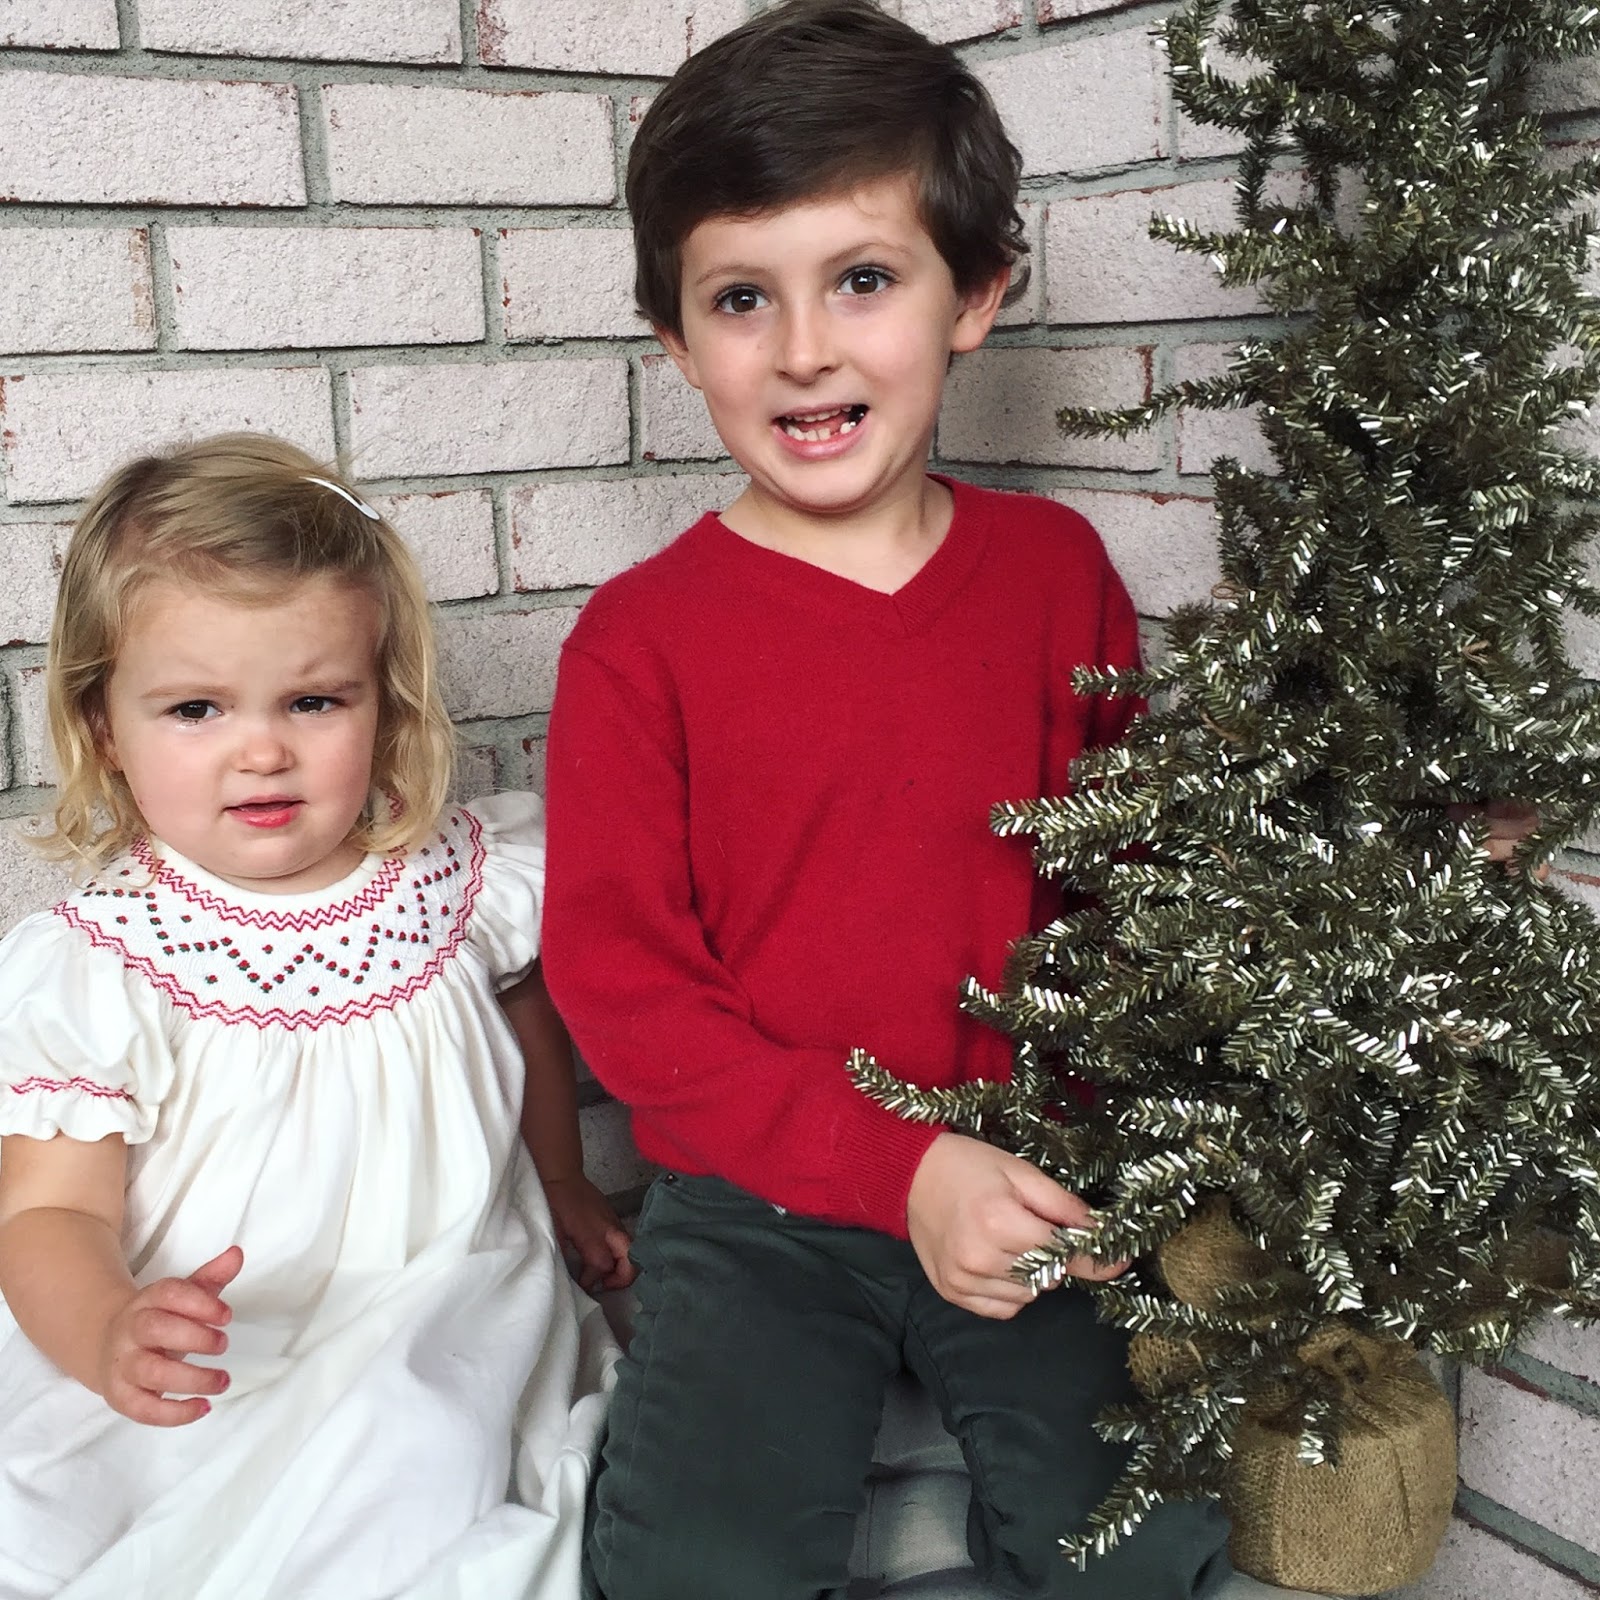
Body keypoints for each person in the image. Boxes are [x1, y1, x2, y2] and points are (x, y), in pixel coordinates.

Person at [539, 4, 1234, 1597]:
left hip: (1024, 1158)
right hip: (758, 1196)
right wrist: (892, 1167)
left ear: (974, 293)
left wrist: (1093, 1143)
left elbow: (1120, 878)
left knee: (1139, 1549)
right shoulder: (638, 641)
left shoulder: (1056, 572)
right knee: (695, 1567)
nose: (804, 350)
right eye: (742, 298)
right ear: (675, 339)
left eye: (862, 279)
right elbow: (626, 988)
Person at [0, 434, 630, 1600]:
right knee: (69, 1512)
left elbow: (522, 1017)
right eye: (196, 707)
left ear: (382, 707)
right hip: (199, 1318)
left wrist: (561, 1179)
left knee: (421, 1452)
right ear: (104, 729)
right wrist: (107, 1328)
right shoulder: (105, 960)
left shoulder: (456, 881)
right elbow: (47, 1209)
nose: (262, 749)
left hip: (433, 1287)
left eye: (313, 700)